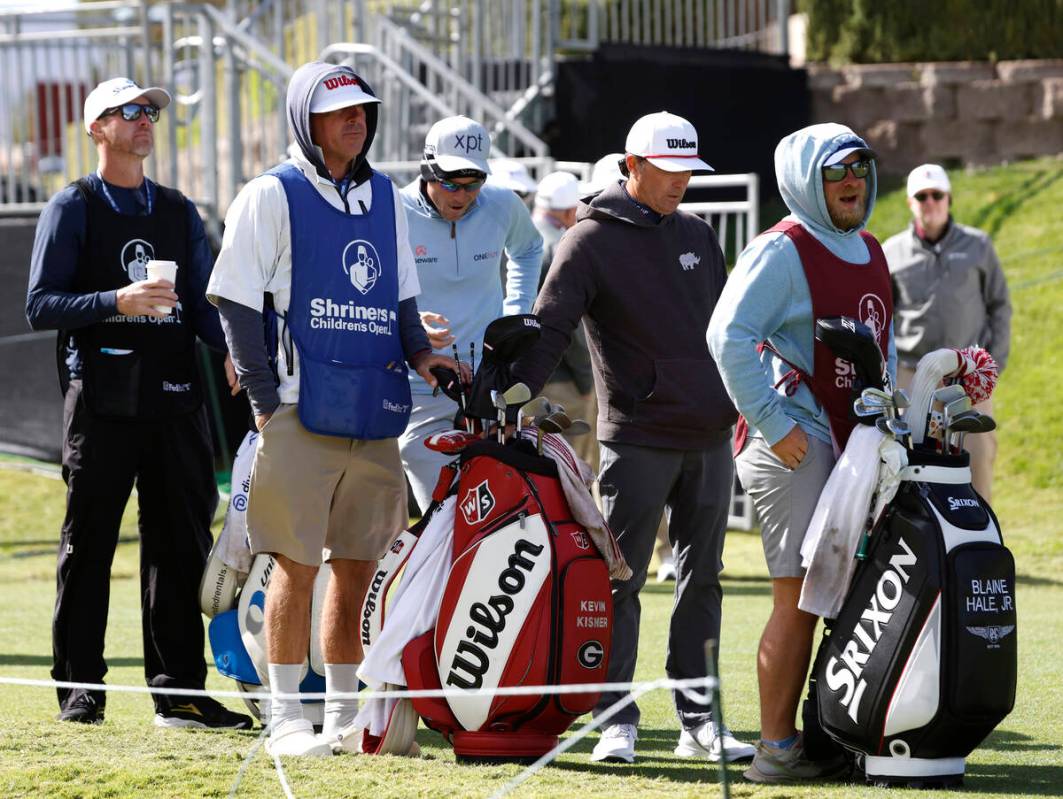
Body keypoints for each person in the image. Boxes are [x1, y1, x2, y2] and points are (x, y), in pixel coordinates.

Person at [207, 61, 457, 756]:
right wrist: (262, 402)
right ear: (303, 120)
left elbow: (402, 298)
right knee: (294, 562)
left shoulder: (382, 194)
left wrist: (421, 355)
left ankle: (345, 715)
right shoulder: (269, 194)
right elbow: (233, 296)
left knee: (358, 564)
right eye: (339, 110)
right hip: (297, 406)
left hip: (374, 407)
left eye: (363, 109)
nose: (357, 120)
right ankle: (287, 714)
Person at [512, 111, 754, 765]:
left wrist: (749, 399)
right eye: (669, 169)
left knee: (701, 578)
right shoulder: (586, 241)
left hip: (708, 433)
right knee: (618, 581)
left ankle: (697, 720)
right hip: (636, 438)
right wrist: (510, 395)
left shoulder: (700, 234)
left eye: (688, 171)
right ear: (633, 165)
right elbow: (550, 327)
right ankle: (615, 717)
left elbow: (725, 332)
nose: (680, 182)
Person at [24, 77, 251, 730]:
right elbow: (40, 304)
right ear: (96, 128)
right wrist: (114, 301)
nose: (145, 119)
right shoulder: (73, 205)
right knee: (88, 546)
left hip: (177, 399)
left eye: (150, 110)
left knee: (180, 546)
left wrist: (233, 349)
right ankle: (79, 688)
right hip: (99, 402)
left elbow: (209, 302)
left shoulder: (178, 209)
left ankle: (179, 693)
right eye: (128, 111)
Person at [708, 123, 897, 783]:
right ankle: (773, 749)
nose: (852, 182)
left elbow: (883, 346)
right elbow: (727, 335)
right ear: (805, 179)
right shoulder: (781, 249)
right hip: (793, 443)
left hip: (853, 448)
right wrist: (770, 422)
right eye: (835, 171)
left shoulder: (869, 247)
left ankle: (828, 736)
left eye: (859, 168)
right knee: (797, 598)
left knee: (841, 596)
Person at [399, 116, 543, 512]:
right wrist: (409, 327)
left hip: (488, 383)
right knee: (444, 515)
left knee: (495, 516)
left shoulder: (500, 203)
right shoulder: (395, 211)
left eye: (472, 183)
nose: (462, 196)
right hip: (420, 385)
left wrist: (514, 314)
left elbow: (530, 249)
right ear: (426, 170)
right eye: (450, 183)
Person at [883, 164, 1010, 501]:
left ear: (948, 198)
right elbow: (882, 317)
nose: (930, 202)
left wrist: (991, 365)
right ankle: (918, 540)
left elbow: (999, 306)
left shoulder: (978, 246)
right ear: (911, 203)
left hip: (966, 375)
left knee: (979, 454)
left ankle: (980, 540)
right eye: (921, 197)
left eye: (936, 195)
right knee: (910, 461)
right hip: (911, 374)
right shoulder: (890, 253)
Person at [531, 170, 597, 469]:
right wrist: (587, 381)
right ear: (571, 210)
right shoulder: (561, 247)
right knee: (574, 471)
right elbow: (569, 327)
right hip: (563, 381)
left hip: (521, 381)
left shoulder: (516, 240)